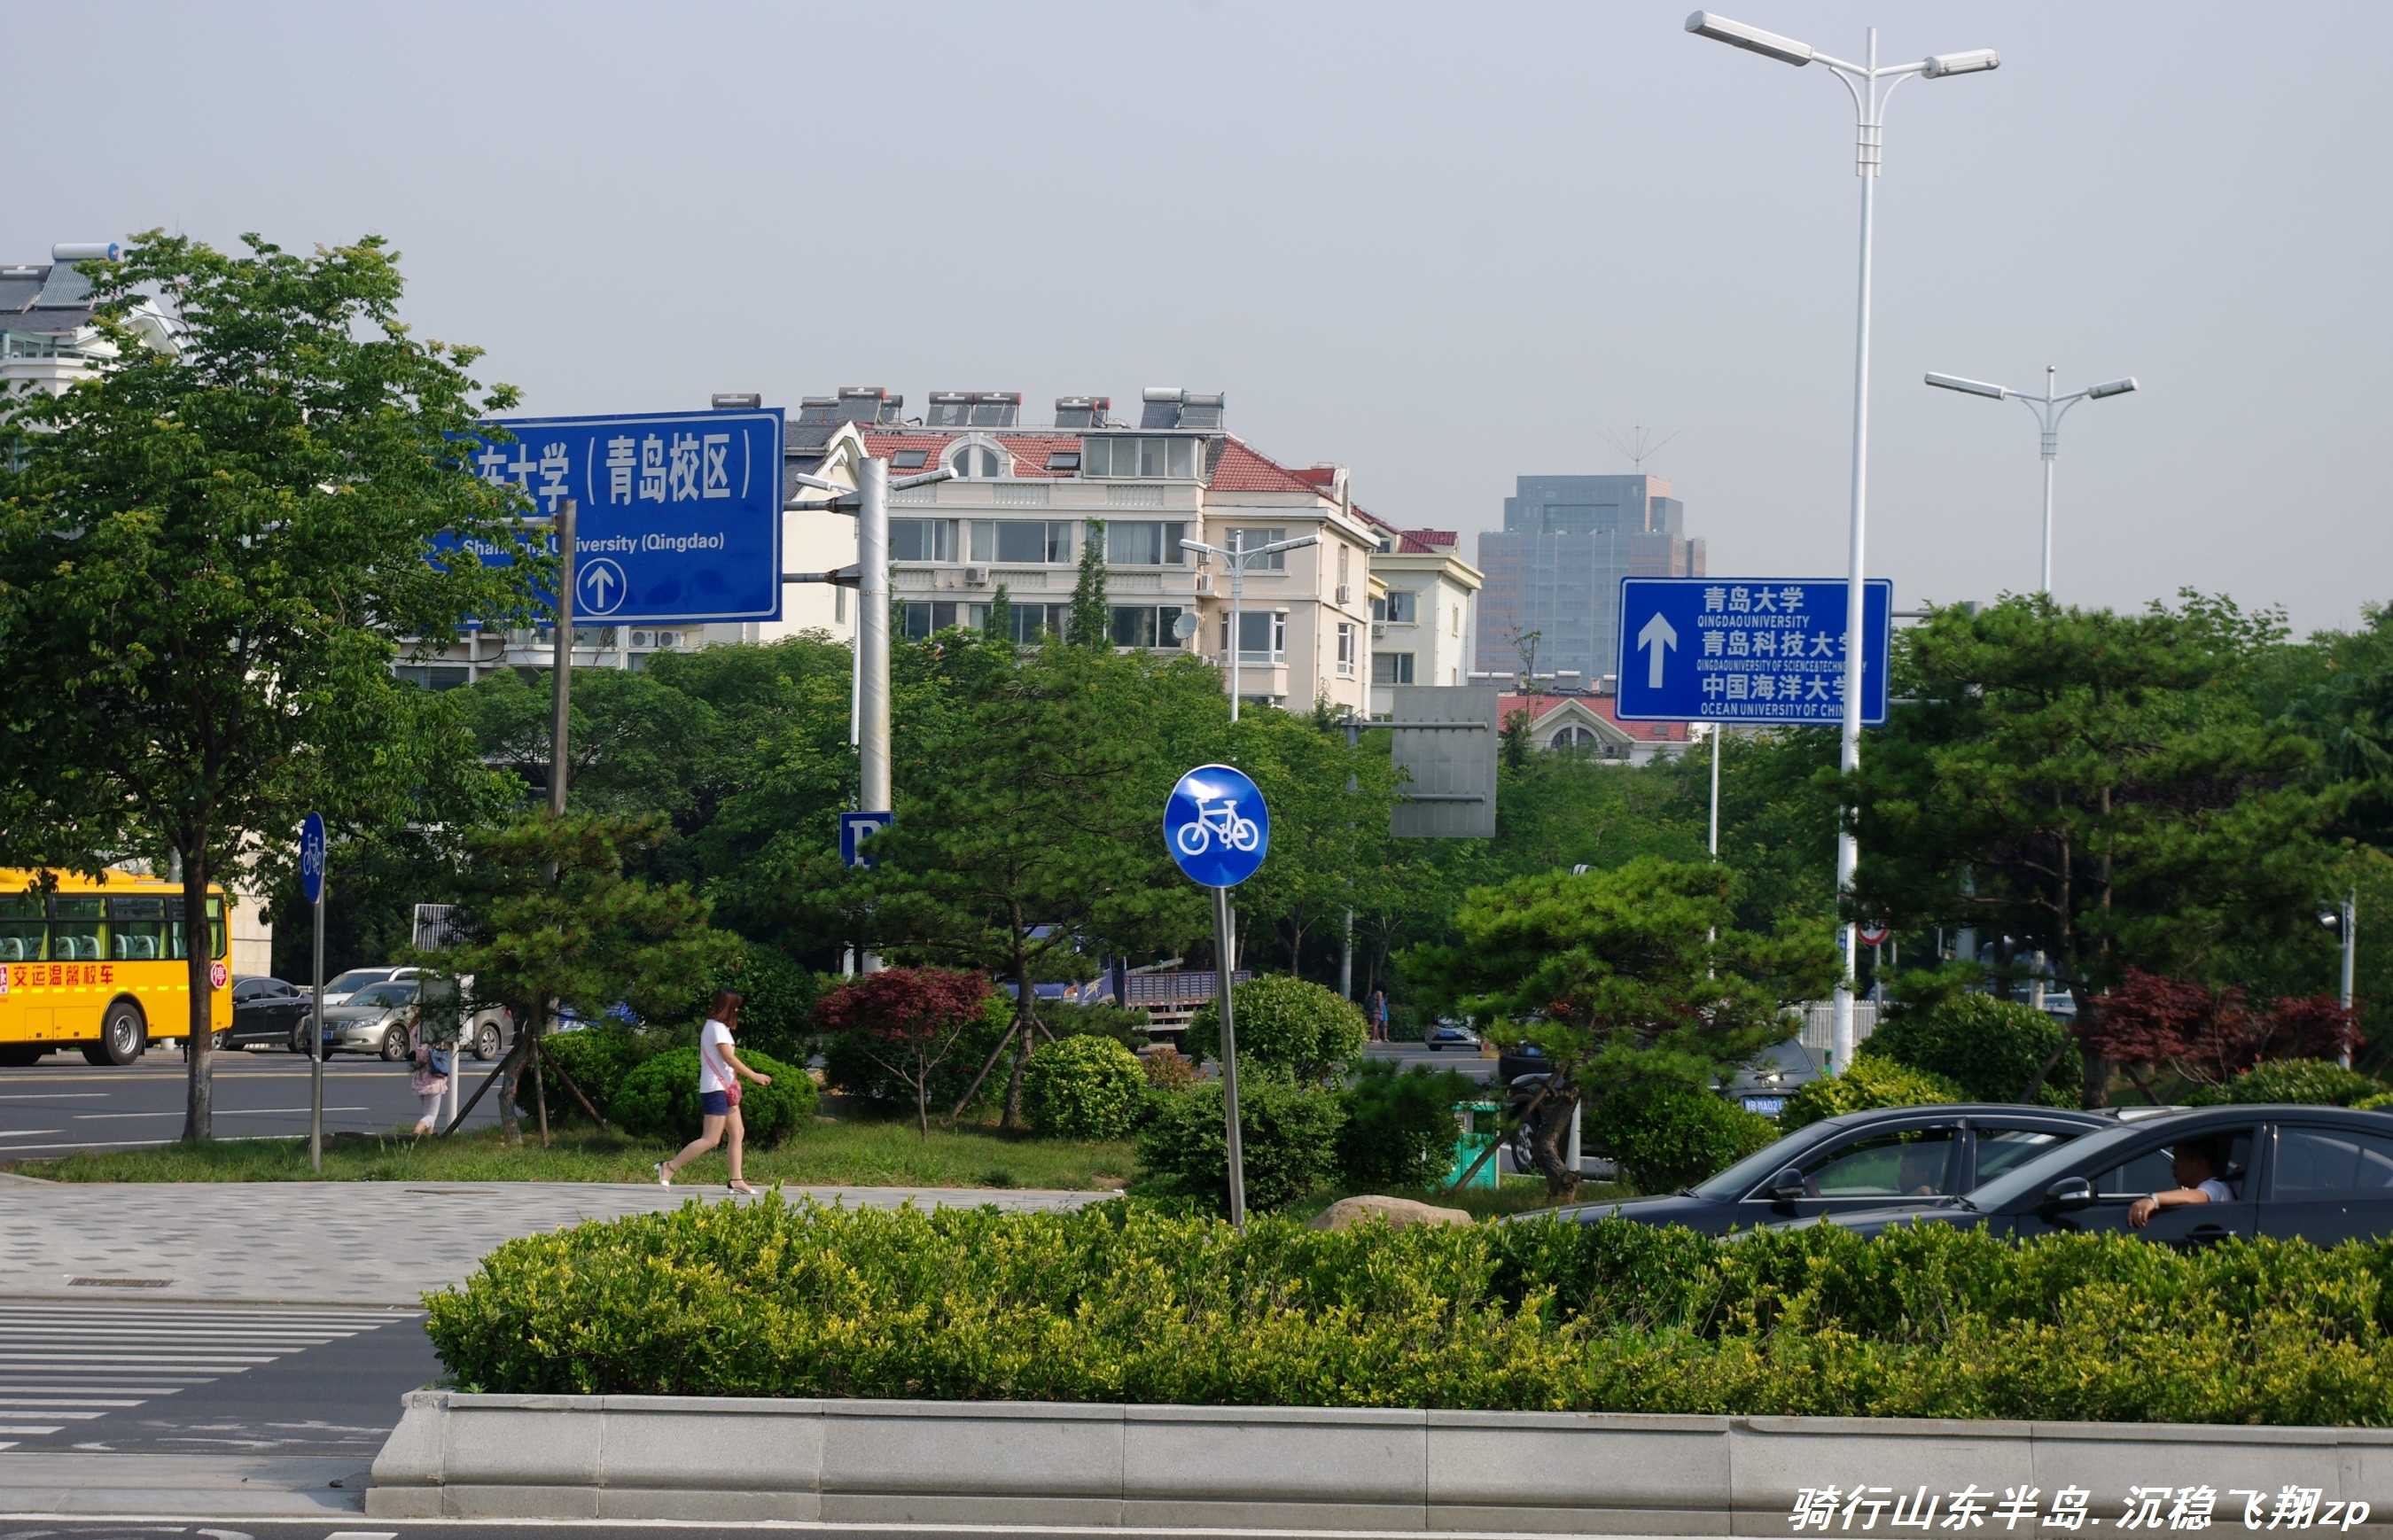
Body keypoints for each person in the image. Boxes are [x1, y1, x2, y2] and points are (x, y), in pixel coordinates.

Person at [657, 989, 774, 1194]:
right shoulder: (715, 1028)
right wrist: (753, 1075)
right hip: (715, 1089)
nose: (737, 1010)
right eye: (735, 1006)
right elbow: (728, 1058)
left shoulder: (721, 1028)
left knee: (737, 1132)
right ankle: (669, 1166)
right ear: (726, 1007)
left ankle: (736, 1180)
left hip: (726, 1088)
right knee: (711, 1139)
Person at [2128, 1138, 2241, 1228]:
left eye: (2178, 1159)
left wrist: (2154, 1199)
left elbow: (2199, 1196)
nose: (2173, 1166)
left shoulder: (2215, 1186)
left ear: (2199, 1164)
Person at [409, 1008, 449, 1136]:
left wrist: (417, 1014)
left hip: (420, 1077)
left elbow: (411, 1026)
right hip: (433, 1078)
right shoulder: (434, 1035)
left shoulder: (415, 1033)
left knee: (427, 1112)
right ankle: (415, 1133)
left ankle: (429, 1138)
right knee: (431, 1116)